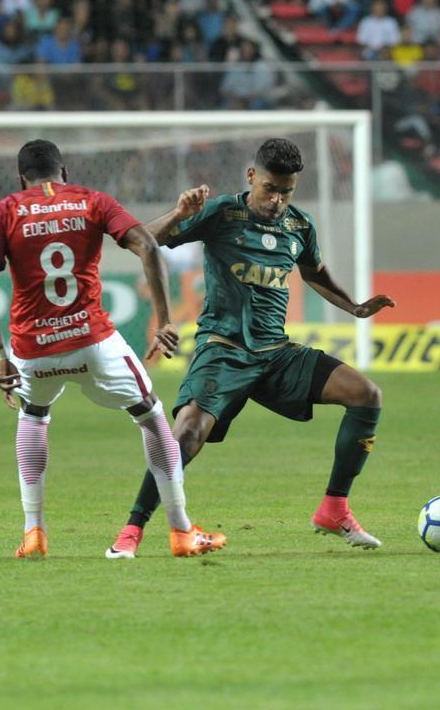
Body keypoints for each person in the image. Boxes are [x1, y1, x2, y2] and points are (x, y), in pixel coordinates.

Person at [108, 139, 396, 558]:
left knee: (366, 395)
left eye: (286, 191)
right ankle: (131, 532)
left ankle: (334, 508)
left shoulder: (299, 225)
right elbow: (138, 240)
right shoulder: (222, 212)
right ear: (251, 177)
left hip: (276, 354)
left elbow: (314, 272)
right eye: (269, 189)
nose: (277, 200)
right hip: (222, 348)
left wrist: (353, 305)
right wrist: (180, 214)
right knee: (186, 433)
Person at [0, 139, 226, 560]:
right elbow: (147, 244)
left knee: (33, 416)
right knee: (151, 414)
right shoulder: (92, 201)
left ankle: (34, 531)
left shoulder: (4, 210)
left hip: (32, 350)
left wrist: (0, 355)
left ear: (22, 178)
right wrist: (164, 319)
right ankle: (181, 530)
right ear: (64, 172)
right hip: (92, 342)